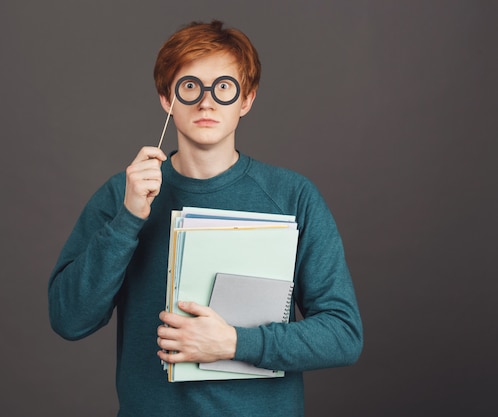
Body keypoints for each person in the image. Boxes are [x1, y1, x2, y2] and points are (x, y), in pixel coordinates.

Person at [48, 20, 363, 417]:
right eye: (191, 87)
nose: (207, 102)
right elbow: (68, 319)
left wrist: (234, 343)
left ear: (246, 100)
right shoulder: (123, 193)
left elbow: (343, 335)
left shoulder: (293, 196)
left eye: (224, 88)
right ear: (167, 99)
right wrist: (128, 219)